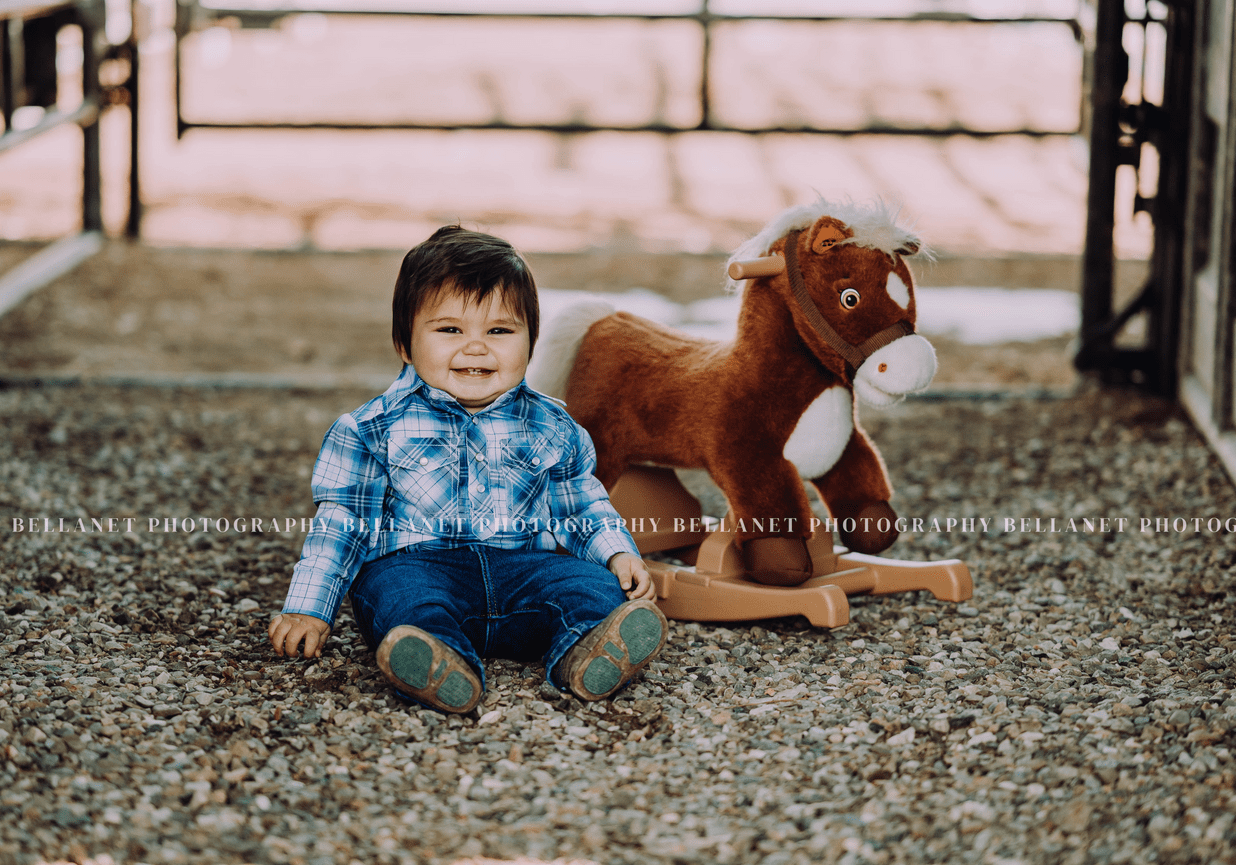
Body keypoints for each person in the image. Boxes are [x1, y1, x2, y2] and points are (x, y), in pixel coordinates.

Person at [267, 225, 669, 713]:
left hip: (524, 572)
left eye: (499, 331)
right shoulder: (372, 429)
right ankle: (440, 661)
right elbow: (342, 525)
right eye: (450, 330)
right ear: (405, 344)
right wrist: (308, 608)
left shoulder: (552, 425)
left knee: (590, 587)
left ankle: (586, 651)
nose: (476, 347)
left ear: (531, 342)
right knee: (396, 595)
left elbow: (582, 504)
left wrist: (618, 553)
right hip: (421, 566)